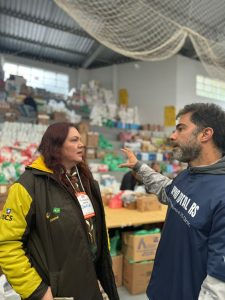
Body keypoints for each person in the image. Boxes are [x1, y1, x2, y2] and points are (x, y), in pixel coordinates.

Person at [0, 122, 119, 300]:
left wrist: (102, 268)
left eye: (80, 139)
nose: (82, 144)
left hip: (90, 283)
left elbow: (97, 227)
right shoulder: (27, 186)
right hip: (55, 292)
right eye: (74, 140)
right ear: (56, 146)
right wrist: (38, 291)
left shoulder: (85, 179)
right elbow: (8, 244)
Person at [120, 102, 225, 300]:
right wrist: (139, 167)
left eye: (181, 128)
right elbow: (167, 191)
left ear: (205, 134)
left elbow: (220, 282)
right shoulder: (188, 175)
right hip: (161, 289)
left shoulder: (221, 193)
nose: (172, 136)